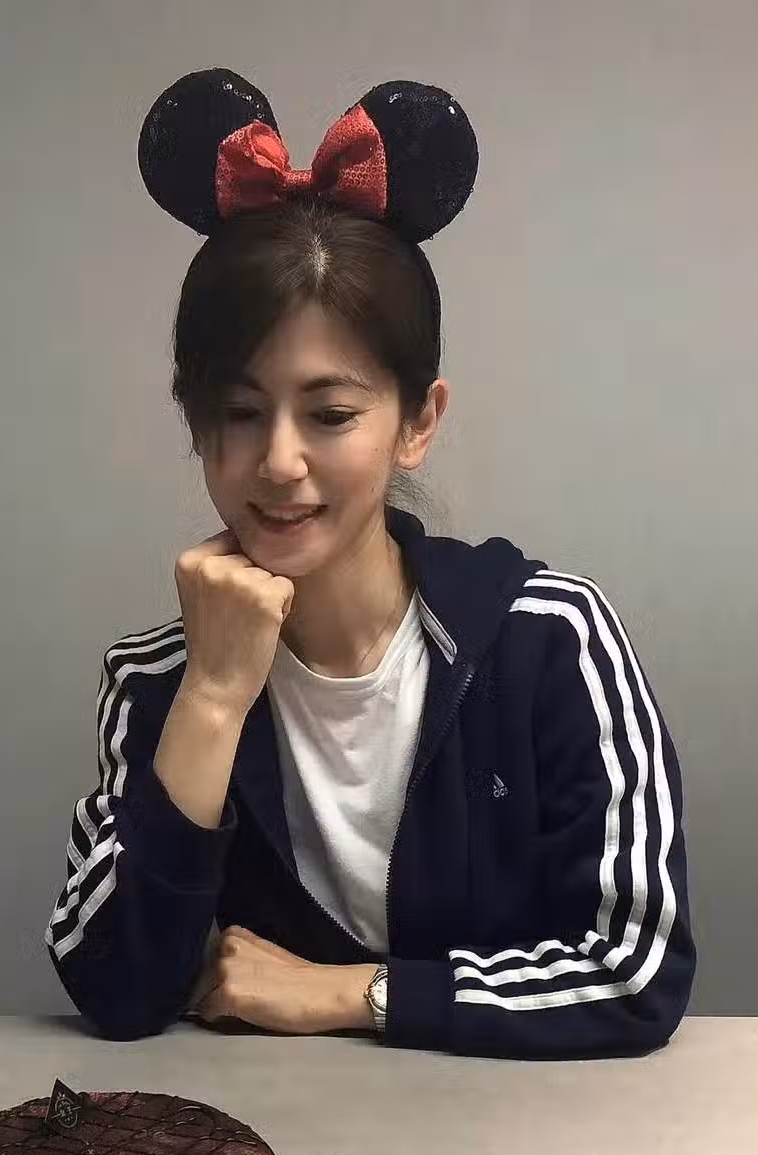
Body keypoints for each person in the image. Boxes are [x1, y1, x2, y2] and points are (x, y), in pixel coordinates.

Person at [45, 70, 696, 1059]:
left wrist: (353, 993)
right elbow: (117, 990)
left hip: (520, 1139)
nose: (278, 461)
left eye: (331, 413)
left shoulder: (552, 639)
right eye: (238, 411)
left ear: (417, 422)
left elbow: (634, 970)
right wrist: (214, 696)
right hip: (267, 1142)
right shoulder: (156, 680)